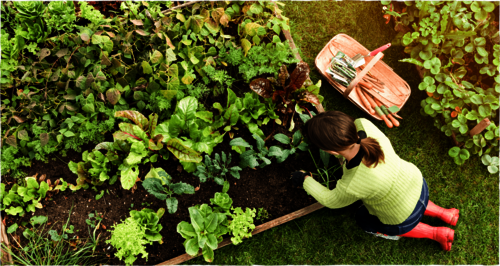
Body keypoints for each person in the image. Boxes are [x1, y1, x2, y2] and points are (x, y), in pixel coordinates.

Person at [291, 111, 459, 251]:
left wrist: (304, 179)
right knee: (409, 197)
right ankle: (446, 213)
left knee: (364, 219)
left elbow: (331, 200)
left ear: (331, 151)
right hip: (417, 183)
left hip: (401, 215)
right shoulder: (364, 125)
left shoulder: (352, 183)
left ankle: (437, 233)